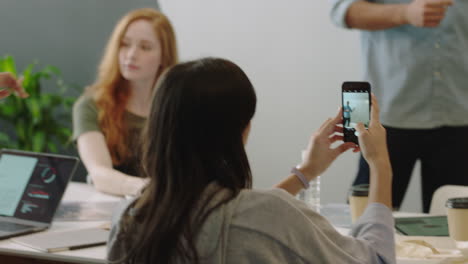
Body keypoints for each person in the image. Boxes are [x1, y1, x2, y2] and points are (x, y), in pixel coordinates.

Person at [107, 58, 395, 264]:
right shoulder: (271, 215)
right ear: (242, 130)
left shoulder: (130, 219)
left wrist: (306, 171)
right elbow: (377, 259)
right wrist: (380, 164)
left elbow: (236, 211)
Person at [330, 0, 468, 212]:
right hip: (384, 114)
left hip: (460, 110)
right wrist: (404, 13)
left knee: (457, 232)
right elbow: (342, 11)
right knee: (364, 225)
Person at [72, 8, 178, 196]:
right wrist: (148, 189)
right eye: (124, 44)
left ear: (165, 55)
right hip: (113, 213)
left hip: (172, 212)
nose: (131, 55)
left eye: (145, 47)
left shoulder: (178, 107)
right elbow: (99, 173)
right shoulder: (91, 105)